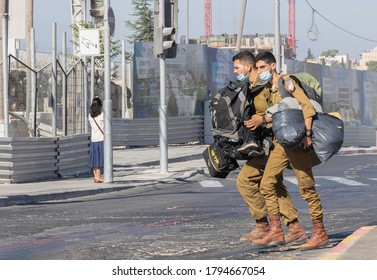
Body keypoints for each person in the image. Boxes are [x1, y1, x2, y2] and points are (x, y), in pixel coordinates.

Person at [251, 51, 329, 249]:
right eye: (258, 68)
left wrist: (308, 135)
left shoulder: (286, 83)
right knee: (267, 183)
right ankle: (277, 230)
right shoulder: (268, 89)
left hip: (297, 142)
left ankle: (320, 232)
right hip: (281, 143)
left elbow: (306, 106)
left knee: (306, 187)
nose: (260, 72)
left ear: (273, 66)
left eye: (263, 67)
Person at [233, 51, 307, 244]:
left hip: (270, 142)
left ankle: (266, 226)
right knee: (273, 183)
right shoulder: (249, 87)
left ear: (249, 67)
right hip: (263, 144)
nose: (234, 72)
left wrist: (263, 120)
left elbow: (279, 110)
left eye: (237, 67)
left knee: (249, 181)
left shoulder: (265, 87)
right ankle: (292, 227)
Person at [88, 97, 104, 183]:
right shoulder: (102, 115)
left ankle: (95, 176)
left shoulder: (90, 116)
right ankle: (98, 177)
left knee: (94, 158)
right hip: (101, 139)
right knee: (99, 158)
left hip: (93, 139)